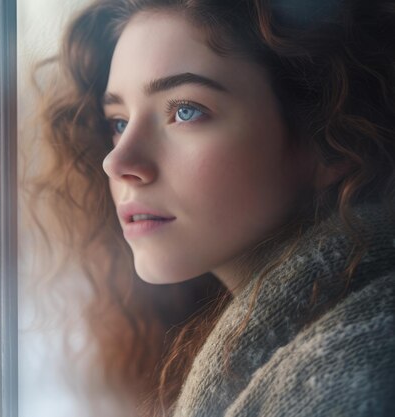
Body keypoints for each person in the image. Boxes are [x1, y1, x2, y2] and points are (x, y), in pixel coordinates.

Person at [25, 0, 395, 416]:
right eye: (119, 123)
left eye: (186, 111)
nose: (117, 162)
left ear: (329, 140)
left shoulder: (355, 375)